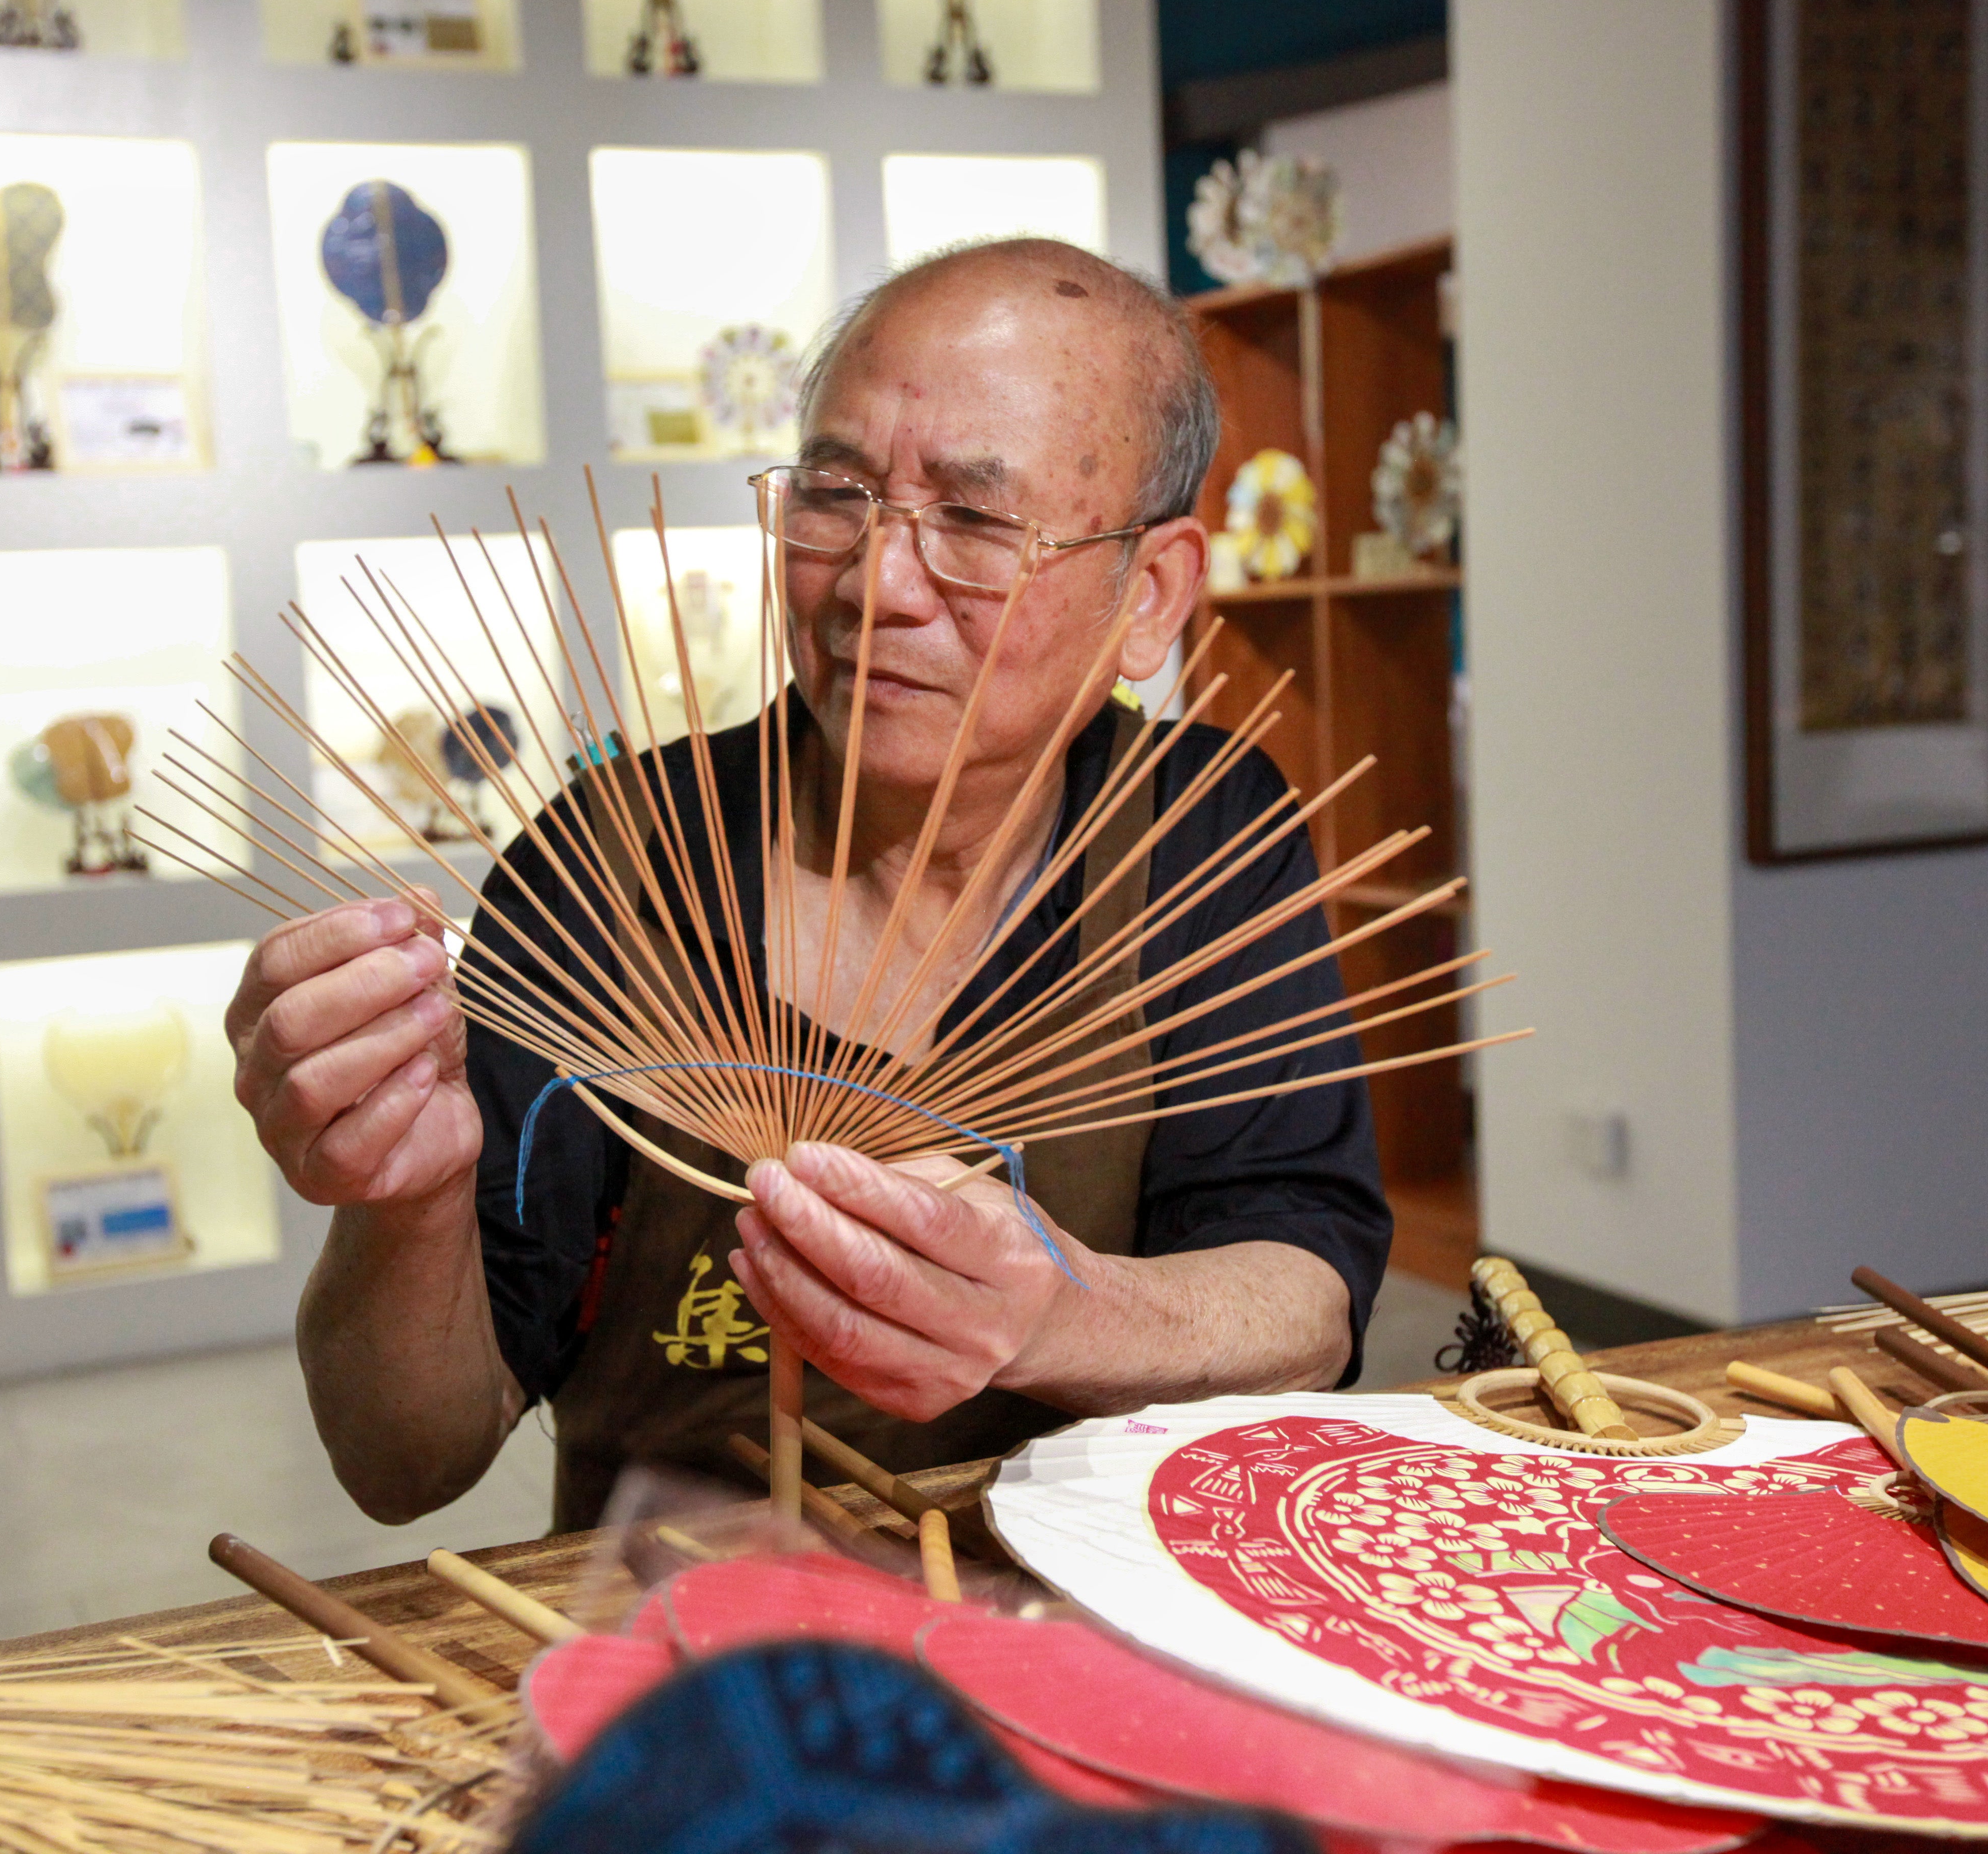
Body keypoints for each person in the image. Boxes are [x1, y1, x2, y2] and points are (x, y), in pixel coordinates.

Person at [227, 238, 1392, 1530]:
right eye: (836, 495)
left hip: (1077, 1614)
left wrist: (1058, 1318)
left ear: (1151, 595)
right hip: (682, 1654)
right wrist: (410, 1199)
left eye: (975, 521)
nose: (876, 586)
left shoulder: (1196, 835)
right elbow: (402, 1464)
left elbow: (1307, 1300)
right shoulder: (609, 870)